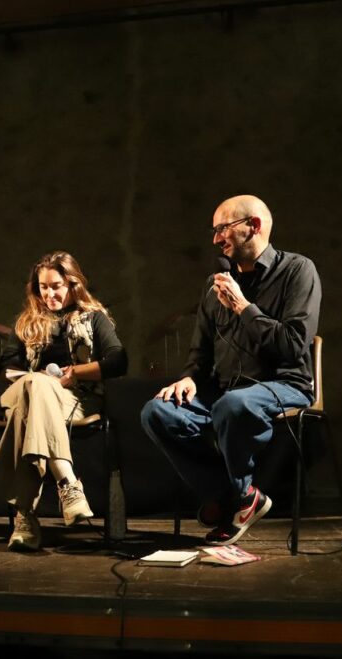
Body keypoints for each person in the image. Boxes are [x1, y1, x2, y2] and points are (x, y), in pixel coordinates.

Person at [141, 195, 320, 546]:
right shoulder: (215, 283)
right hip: (224, 390)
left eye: (222, 229)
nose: (215, 239)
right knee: (157, 411)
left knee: (233, 405)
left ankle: (233, 498)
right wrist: (189, 377)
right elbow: (200, 352)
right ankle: (238, 495)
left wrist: (243, 306)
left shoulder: (298, 271)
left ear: (253, 226)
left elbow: (293, 344)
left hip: (285, 384)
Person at [0, 251, 127, 551]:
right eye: (43, 287)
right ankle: (68, 483)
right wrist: (33, 381)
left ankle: (25, 518)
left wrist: (77, 373)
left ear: (73, 283)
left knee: (30, 406)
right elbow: (6, 366)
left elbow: (118, 361)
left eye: (56, 285)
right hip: (25, 392)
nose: (49, 294)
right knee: (35, 384)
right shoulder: (26, 322)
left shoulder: (95, 317)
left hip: (75, 398)